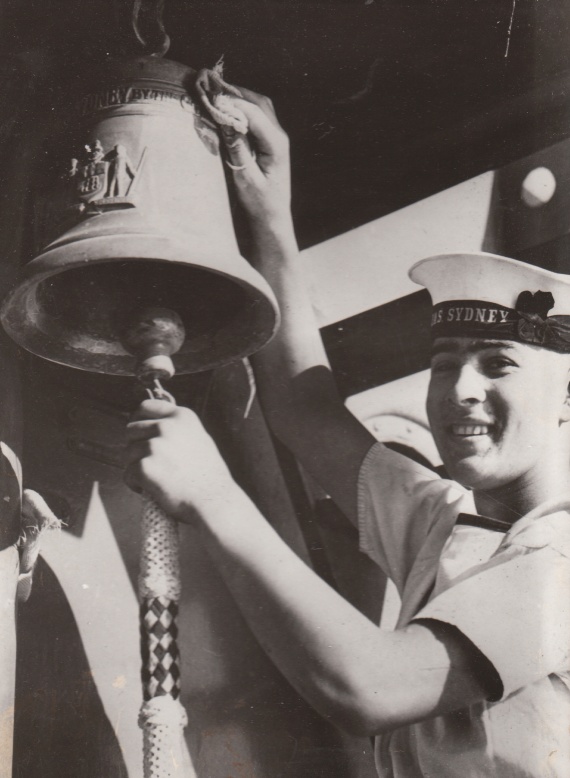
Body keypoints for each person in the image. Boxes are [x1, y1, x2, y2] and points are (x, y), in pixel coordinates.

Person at [124, 91, 570, 777]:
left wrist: (213, 496)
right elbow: (306, 412)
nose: (460, 392)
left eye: (498, 365)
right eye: (445, 365)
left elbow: (371, 687)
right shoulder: (443, 523)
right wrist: (271, 216)